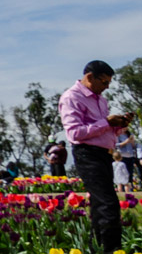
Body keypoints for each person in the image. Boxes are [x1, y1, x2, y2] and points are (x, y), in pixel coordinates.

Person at [60, 59, 134, 254]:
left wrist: (119, 126)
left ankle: (97, 248)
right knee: (108, 204)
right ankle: (112, 249)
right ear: (89, 77)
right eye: (104, 82)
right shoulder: (71, 97)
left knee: (99, 205)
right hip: (87, 154)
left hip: (104, 155)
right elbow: (75, 133)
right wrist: (106, 122)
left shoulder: (101, 100)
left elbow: (104, 130)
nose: (107, 87)